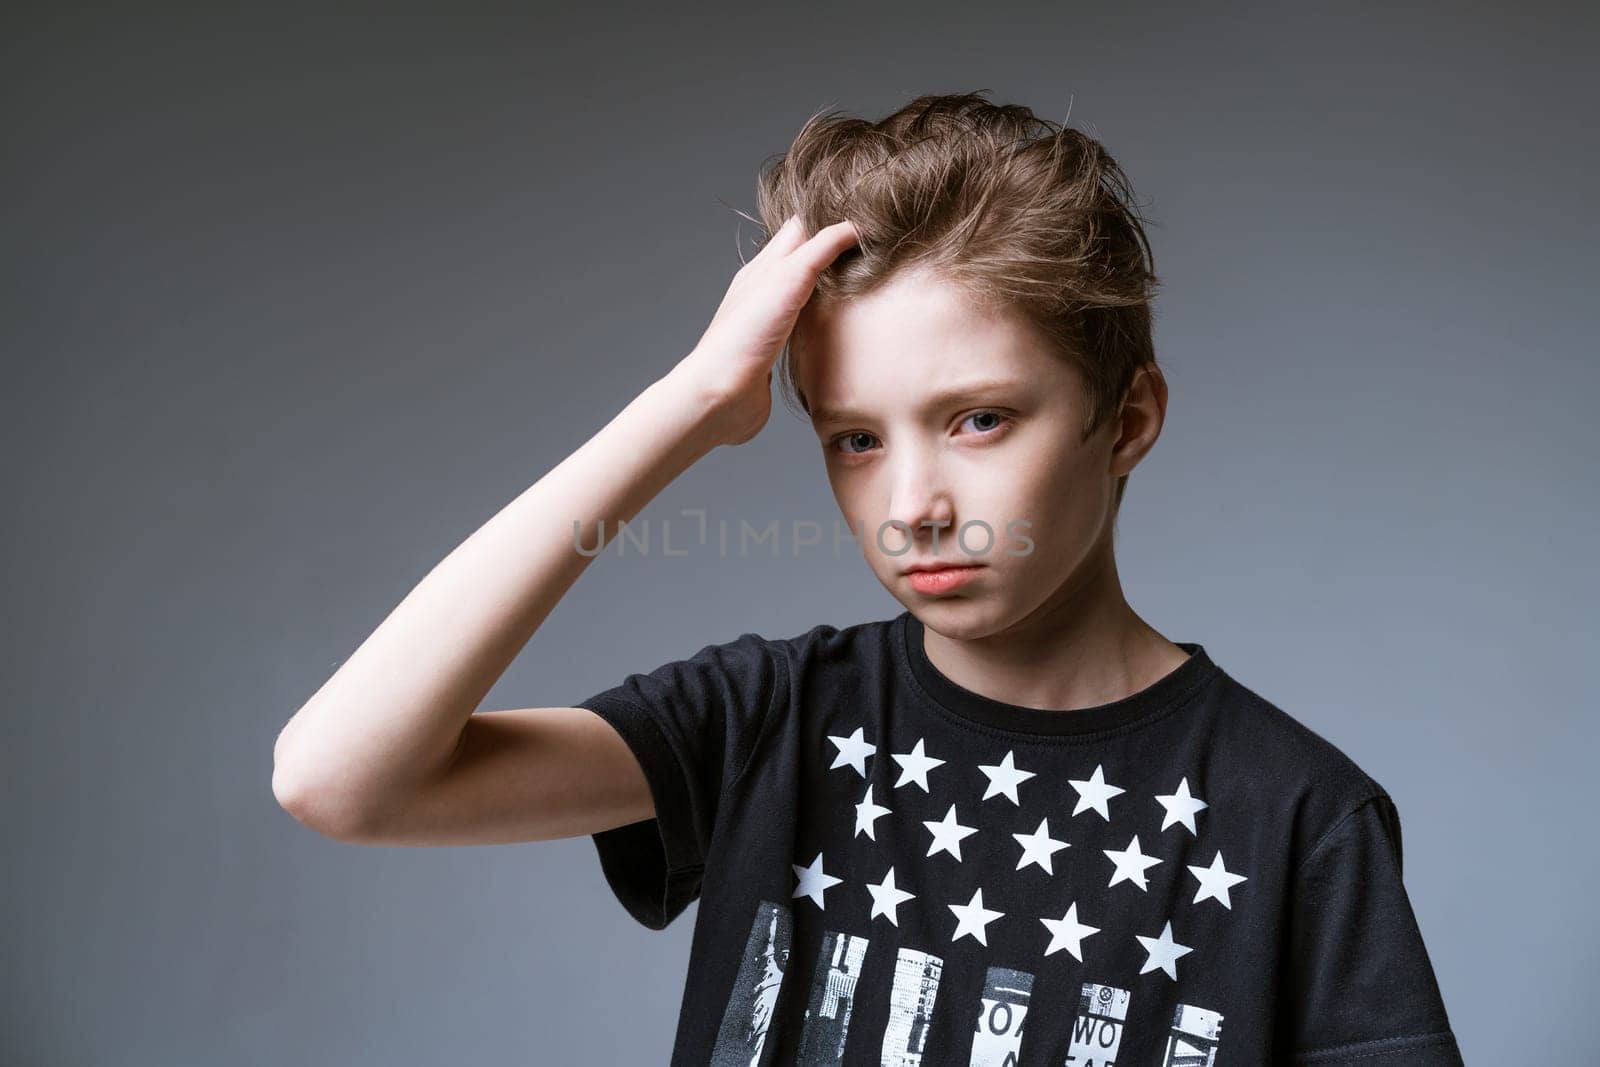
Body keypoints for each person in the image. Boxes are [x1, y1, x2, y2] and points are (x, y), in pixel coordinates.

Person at [271, 91, 1463, 1065]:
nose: (911, 507)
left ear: (1128, 415)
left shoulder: (1297, 814)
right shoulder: (771, 720)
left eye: (981, 418)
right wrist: (684, 407)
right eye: (855, 437)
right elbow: (341, 778)